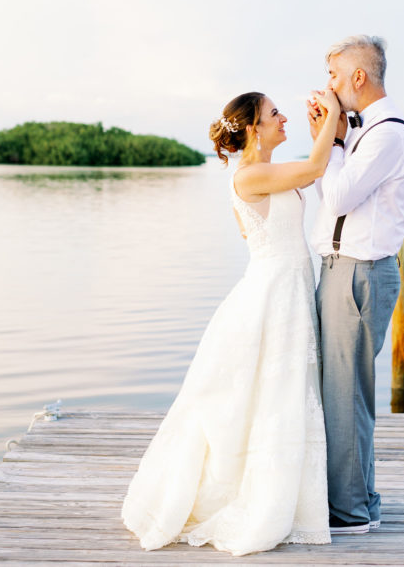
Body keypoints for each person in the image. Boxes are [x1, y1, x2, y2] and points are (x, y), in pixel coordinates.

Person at [121, 89, 343, 556]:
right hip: (272, 296)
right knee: (267, 395)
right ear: (251, 128)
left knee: (276, 394)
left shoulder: (261, 173)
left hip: (286, 290)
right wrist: (334, 117)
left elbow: (294, 188)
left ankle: (284, 493)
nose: (284, 118)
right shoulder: (250, 175)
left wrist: (326, 129)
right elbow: (315, 168)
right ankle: (254, 497)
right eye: (274, 114)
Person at [307, 35, 404, 534]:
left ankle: (348, 512)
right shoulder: (363, 131)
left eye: (334, 76)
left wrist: (331, 145)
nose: (328, 85)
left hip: (358, 273)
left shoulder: (386, 133)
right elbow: (326, 186)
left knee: (345, 395)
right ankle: (363, 501)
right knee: (346, 393)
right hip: (346, 269)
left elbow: (340, 197)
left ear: (358, 78)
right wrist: (329, 141)